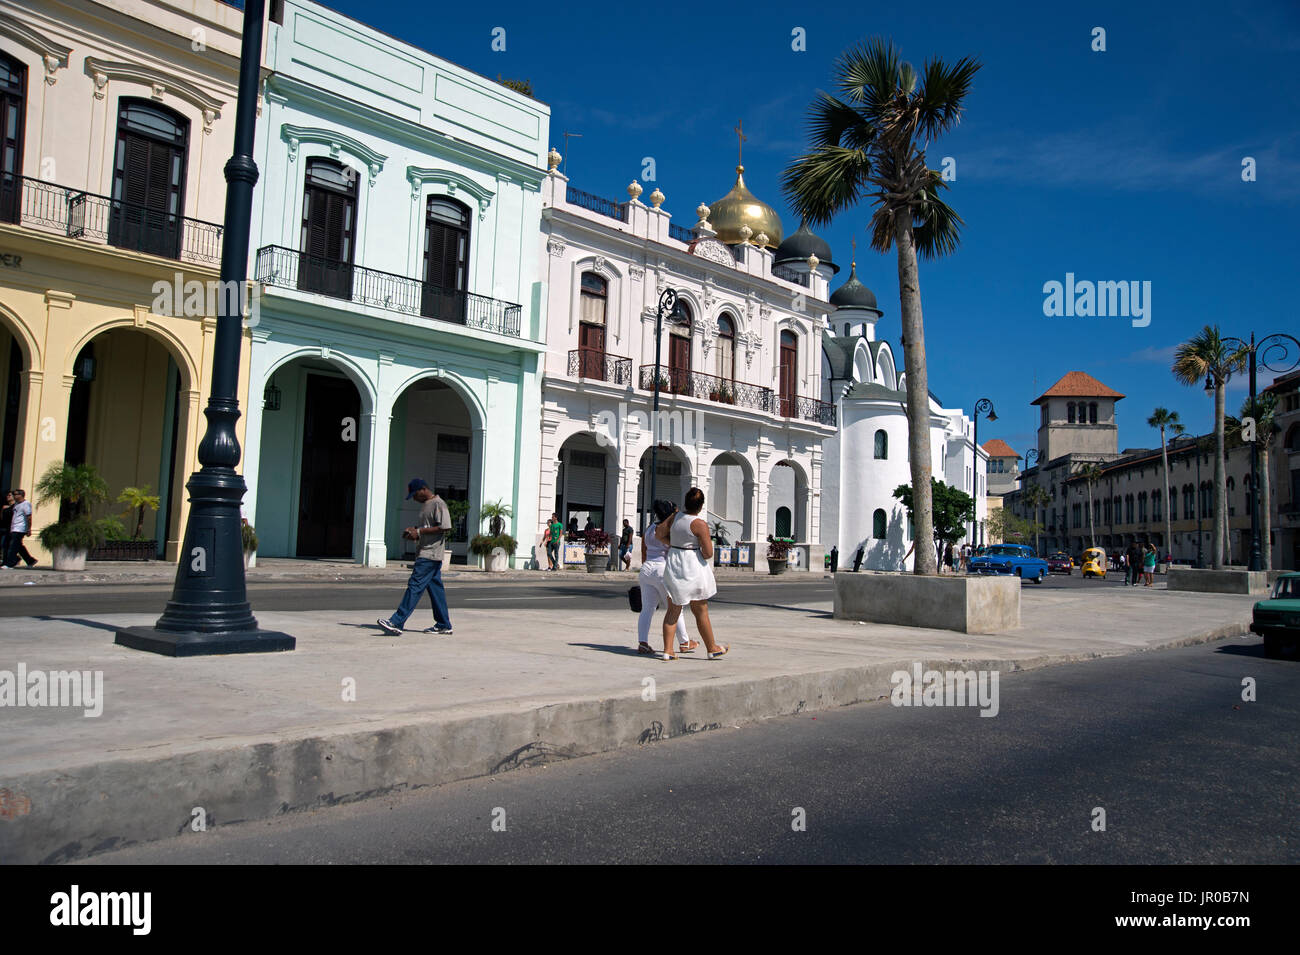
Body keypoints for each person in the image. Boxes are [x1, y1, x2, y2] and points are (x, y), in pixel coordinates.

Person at [658, 487, 728, 660]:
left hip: (674, 562)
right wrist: (694, 550)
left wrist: (673, 544)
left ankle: (668, 650)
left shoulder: (675, 517)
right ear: (701, 506)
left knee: (673, 609)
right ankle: (712, 647)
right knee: (701, 609)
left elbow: (659, 533)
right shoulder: (699, 524)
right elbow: (708, 552)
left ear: (685, 502)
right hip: (692, 566)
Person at [377, 479, 453, 636]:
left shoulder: (438, 503)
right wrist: (414, 532)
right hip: (426, 552)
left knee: (415, 586)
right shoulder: (426, 505)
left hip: (430, 554)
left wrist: (419, 532)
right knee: (436, 591)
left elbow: (444, 527)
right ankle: (444, 624)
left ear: (424, 489)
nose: (414, 498)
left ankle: (396, 622)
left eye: (415, 494)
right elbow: (427, 528)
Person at [636, 500, 695, 656]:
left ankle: (643, 643)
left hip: (647, 567)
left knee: (647, 608)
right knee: (676, 608)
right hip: (663, 569)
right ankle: (684, 642)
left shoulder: (649, 530)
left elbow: (644, 551)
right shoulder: (670, 530)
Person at [3, 489, 37, 569]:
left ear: (21, 495)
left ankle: (10, 564)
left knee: (13, 546)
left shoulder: (26, 504)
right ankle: (30, 560)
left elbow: (29, 517)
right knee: (18, 546)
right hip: (14, 528)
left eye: (16, 494)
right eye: (14, 494)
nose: (14, 496)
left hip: (20, 528)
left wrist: (29, 529)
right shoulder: (17, 504)